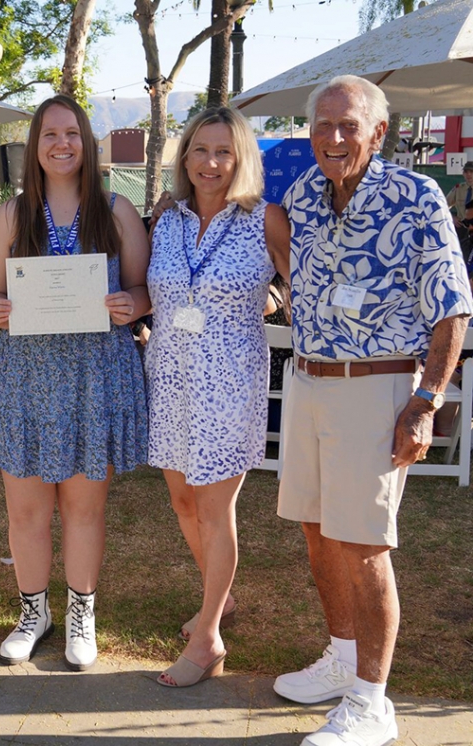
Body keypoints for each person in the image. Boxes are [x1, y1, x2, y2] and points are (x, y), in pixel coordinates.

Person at [273, 75, 473, 746]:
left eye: (348, 126)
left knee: (362, 546)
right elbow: (278, 245)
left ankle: (372, 701)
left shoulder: (416, 197)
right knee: (317, 532)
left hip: (378, 386)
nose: (333, 138)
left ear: (378, 132)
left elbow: (453, 307)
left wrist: (426, 400)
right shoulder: (302, 195)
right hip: (307, 380)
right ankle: (340, 657)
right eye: (322, 126)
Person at [0, 94, 150, 672]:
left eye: (72, 133)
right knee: (24, 510)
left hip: (93, 378)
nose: (61, 144)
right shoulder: (12, 214)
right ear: (35, 145)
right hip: (25, 377)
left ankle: (81, 611)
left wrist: (132, 303)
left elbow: (147, 292)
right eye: (49, 134)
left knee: (83, 508)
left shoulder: (117, 209)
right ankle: (33, 612)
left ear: (87, 141)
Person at [145, 107, 290, 688]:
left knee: (213, 506)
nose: (211, 163)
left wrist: (275, 301)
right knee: (182, 502)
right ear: (185, 157)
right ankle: (218, 598)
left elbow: (294, 284)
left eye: (224, 151)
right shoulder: (168, 219)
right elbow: (147, 285)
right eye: (200, 150)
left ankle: (208, 638)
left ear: (242, 157)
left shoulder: (265, 219)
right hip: (170, 374)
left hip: (230, 381)